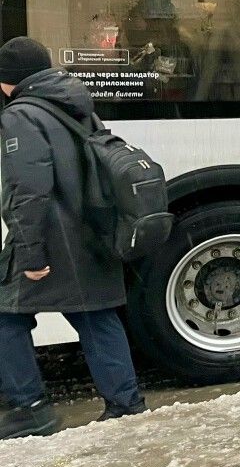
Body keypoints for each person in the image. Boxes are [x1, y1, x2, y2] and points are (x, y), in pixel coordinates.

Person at [0, 37, 147, 439]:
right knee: (95, 314)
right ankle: (127, 404)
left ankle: (29, 409)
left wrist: (30, 255)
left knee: (4, 316)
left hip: (53, 240)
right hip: (91, 234)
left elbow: (27, 190)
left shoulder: (21, 115)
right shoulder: (78, 105)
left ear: (8, 80)